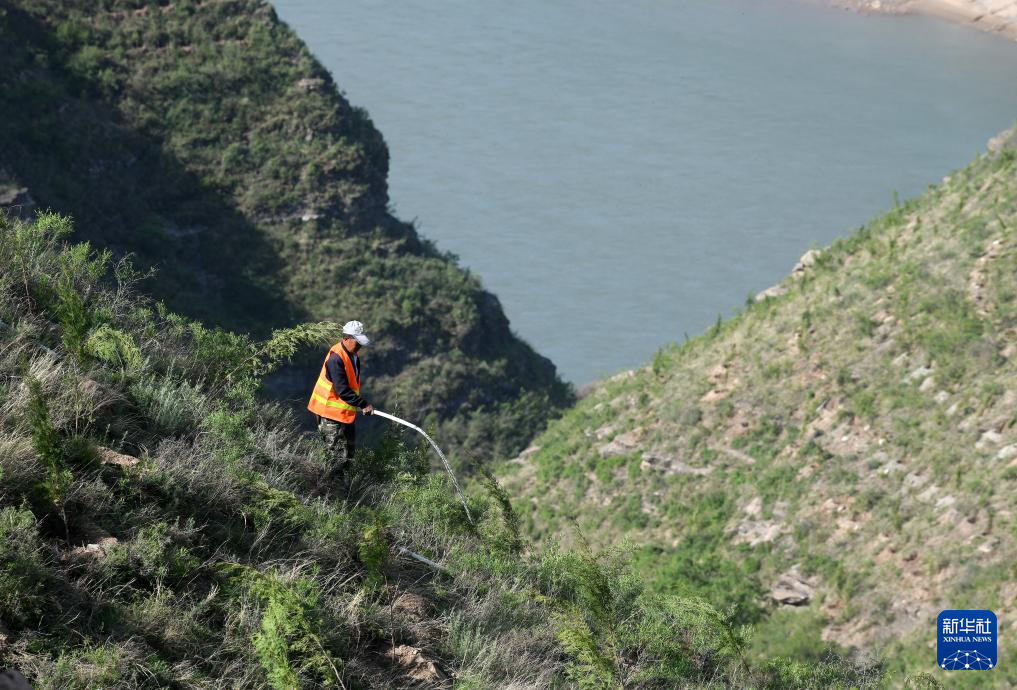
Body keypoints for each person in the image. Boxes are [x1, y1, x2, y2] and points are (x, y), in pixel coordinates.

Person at [307, 320, 374, 466]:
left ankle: (344, 487)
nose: (359, 346)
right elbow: (342, 390)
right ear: (346, 339)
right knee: (335, 459)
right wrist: (363, 404)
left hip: (344, 413)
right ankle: (331, 488)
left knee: (348, 457)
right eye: (357, 342)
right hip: (329, 414)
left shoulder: (353, 355)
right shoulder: (336, 359)